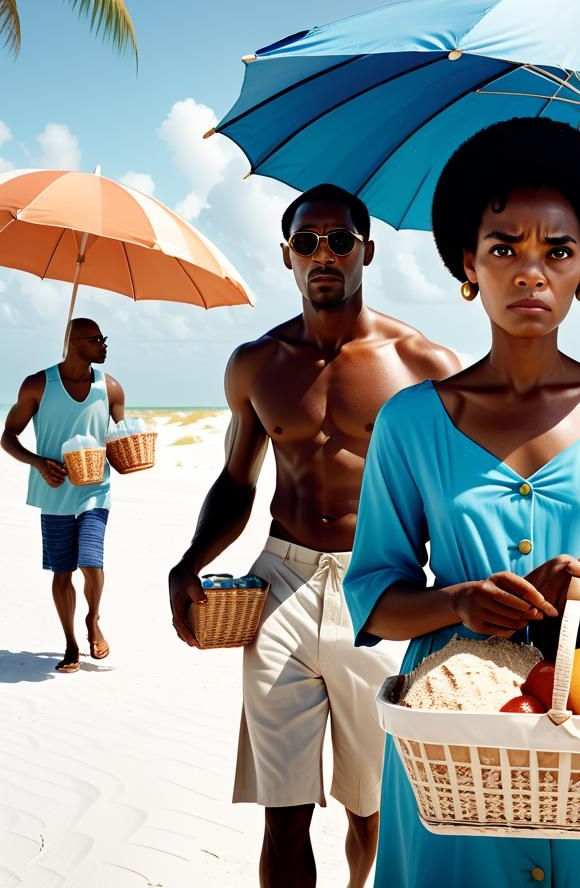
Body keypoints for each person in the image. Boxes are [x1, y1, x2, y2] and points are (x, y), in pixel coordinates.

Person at [343, 117, 580, 888]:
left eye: (559, 251)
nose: (531, 271)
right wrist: (460, 601)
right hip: (452, 737)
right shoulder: (412, 421)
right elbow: (375, 594)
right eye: (505, 246)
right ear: (468, 265)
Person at [167, 184, 459, 888]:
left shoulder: (426, 367)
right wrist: (188, 563)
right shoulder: (256, 364)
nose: (322, 254)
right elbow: (238, 481)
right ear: (286, 256)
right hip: (282, 584)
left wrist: (459, 603)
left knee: (374, 802)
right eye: (307, 242)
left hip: (380, 589)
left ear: (368, 250)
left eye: (338, 240)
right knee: (283, 809)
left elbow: (456, 501)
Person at [2, 318, 124, 673]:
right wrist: (38, 462)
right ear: (73, 343)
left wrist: (127, 456)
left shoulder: (111, 388)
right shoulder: (38, 385)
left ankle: (93, 620)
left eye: (104, 338)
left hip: (94, 491)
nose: (104, 344)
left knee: (91, 561)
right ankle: (71, 643)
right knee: (62, 571)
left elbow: (122, 440)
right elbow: (8, 436)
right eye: (96, 339)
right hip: (53, 491)